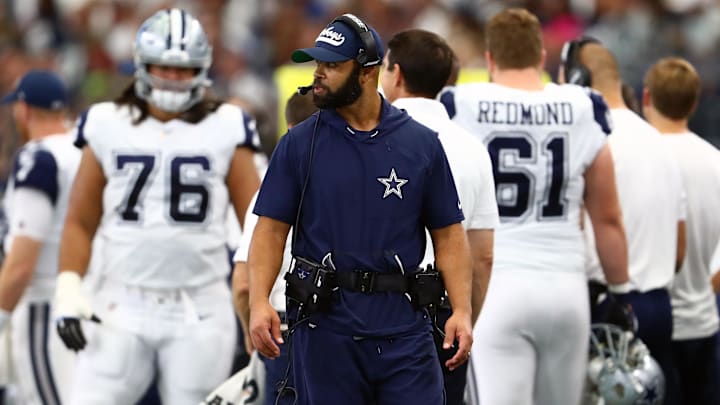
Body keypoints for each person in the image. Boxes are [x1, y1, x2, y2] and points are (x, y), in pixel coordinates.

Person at [247, 13, 473, 405]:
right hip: (326, 332)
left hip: (405, 331)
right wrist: (258, 301)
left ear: (367, 73)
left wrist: (462, 310)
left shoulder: (421, 145)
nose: (319, 74)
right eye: (318, 63)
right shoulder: (298, 144)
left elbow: (449, 233)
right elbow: (269, 231)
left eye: (332, 66)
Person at [52, 8, 260, 405]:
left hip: (198, 304)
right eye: (164, 67)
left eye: (184, 69)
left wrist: (260, 292)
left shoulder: (228, 124)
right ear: (142, 65)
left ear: (202, 69)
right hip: (120, 302)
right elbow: (80, 219)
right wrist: (68, 287)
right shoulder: (107, 122)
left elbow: (255, 221)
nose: (174, 78)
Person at [440, 8, 630, 405]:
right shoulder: (581, 106)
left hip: (497, 287)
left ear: (490, 58)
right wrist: (620, 291)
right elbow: (607, 218)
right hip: (565, 286)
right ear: (542, 57)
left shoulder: (462, 104)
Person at [379, 28, 498, 405]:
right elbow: (482, 255)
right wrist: (464, 318)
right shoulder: (472, 148)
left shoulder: (367, 138)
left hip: (372, 309)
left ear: (395, 74)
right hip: (444, 308)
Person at [564, 40, 686, 404]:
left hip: (608, 308)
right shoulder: (661, 141)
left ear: (576, 78)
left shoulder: (591, 138)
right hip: (660, 307)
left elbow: (587, 228)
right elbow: (680, 248)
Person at [643, 57, 720, 405]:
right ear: (694, 101)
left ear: (647, 98)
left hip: (655, 319)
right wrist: (704, 288)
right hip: (704, 320)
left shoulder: (643, 158)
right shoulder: (714, 160)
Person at [231, 91, 316, 405]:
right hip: (351, 330)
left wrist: (249, 326)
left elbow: (242, 283)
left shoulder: (274, 184)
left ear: (289, 128)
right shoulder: (359, 178)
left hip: (282, 331)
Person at [0, 70, 79, 404]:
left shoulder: (39, 157)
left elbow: (22, 264)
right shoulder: (83, 150)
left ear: (24, 110)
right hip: (83, 300)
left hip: (42, 306)